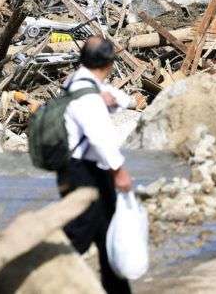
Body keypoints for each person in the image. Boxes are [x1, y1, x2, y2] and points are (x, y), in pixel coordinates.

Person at [57, 37, 134, 294]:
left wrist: (117, 100)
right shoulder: (88, 95)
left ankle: (117, 290)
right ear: (109, 64)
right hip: (84, 172)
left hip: (81, 169)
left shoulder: (77, 81)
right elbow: (99, 136)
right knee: (79, 234)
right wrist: (120, 171)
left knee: (106, 233)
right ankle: (45, 281)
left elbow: (116, 98)